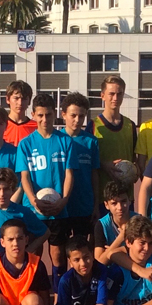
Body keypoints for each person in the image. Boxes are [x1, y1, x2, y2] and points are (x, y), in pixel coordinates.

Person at [17, 93, 78, 274]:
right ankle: (35, 289)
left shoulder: (65, 141)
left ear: (55, 114)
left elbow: (69, 174)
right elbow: (24, 177)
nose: (45, 119)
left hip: (58, 208)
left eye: (49, 115)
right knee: (34, 252)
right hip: (34, 208)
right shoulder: (26, 144)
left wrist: (64, 200)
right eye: (41, 115)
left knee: (58, 253)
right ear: (34, 114)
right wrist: (34, 201)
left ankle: (59, 296)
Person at [58, 92, 100, 238]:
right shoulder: (56, 140)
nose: (77, 120)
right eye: (73, 115)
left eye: (81, 116)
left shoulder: (91, 142)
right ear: (64, 115)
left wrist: (95, 205)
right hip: (61, 205)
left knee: (81, 246)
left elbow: (94, 174)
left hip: (84, 205)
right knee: (60, 249)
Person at [94, 76, 137, 197]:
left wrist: (135, 170)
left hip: (126, 197)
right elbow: (88, 160)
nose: (115, 98)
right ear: (102, 96)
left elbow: (134, 157)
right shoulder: (94, 126)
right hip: (103, 197)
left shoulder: (130, 125)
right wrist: (103, 164)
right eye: (111, 94)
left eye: (119, 94)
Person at [93, 181, 136, 261]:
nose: (120, 207)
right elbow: (100, 262)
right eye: (114, 203)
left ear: (129, 200)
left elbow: (144, 253)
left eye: (123, 201)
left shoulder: (138, 221)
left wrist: (113, 251)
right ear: (106, 205)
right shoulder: (101, 225)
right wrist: (121, 238)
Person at [3, 80, 37, 147]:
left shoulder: (36, 128)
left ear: (29, 101)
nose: (20, 103)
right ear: (8, 99)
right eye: (16, 98)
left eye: (24, 99)